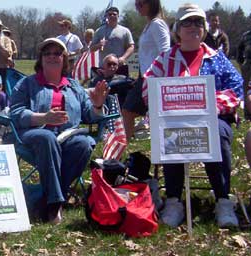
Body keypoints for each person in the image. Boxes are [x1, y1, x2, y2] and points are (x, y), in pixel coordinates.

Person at [141, 4, 243, 228]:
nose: (193, 27)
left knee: (216, 132)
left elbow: (236, 88)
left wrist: (212, 105)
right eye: (187, 22)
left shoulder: (217, 58)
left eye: (198, 22)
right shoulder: (165, 59)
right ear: (177, 29)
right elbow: (148, 86)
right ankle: (175, 201)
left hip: (214, 119)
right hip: (174, 118)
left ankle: (223, 200)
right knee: (171, 132)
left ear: (205, 29)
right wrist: (165, 101)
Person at [9, 38, 108, 224]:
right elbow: (15, 113)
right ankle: (55, 205)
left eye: (57, 53)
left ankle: (47, 198)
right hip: (34, 134)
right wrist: (43, 118)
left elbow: (89, 115)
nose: (52, 56)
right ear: (41, 58)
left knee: (84, 143)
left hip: (67, 136)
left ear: (64, 58)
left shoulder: (74, 86)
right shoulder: (27, 84)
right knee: (47, 137)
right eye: (47, 53)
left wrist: (98, 105)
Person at [122, 0, 171, 141]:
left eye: (141, 4)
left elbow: (165, 51)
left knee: (129, 110)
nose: (137, 7)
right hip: (144, 77)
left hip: (154, 78)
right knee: (128, 110)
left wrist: (158, 75)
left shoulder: (157, 24)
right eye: (136, 4)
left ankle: (124, 144)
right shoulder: (149, 25)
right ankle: (126, 142)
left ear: (152, 4)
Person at [90, 7, 135, 76]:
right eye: (110, 14)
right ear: (107, 16)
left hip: (120, 67)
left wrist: (123, 58)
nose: (112, 16)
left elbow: (131, 47)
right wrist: (99, 45)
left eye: (114, 14)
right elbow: (91, 48)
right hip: (104, 68)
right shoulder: (99, 31)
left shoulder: (125, 31)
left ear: (118, 16)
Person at [237, 29, 251, 118]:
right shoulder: (246, 35)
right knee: (246, 89)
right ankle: (248, 114)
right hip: (248, 65)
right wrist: (241, 63)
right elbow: (240, 49)